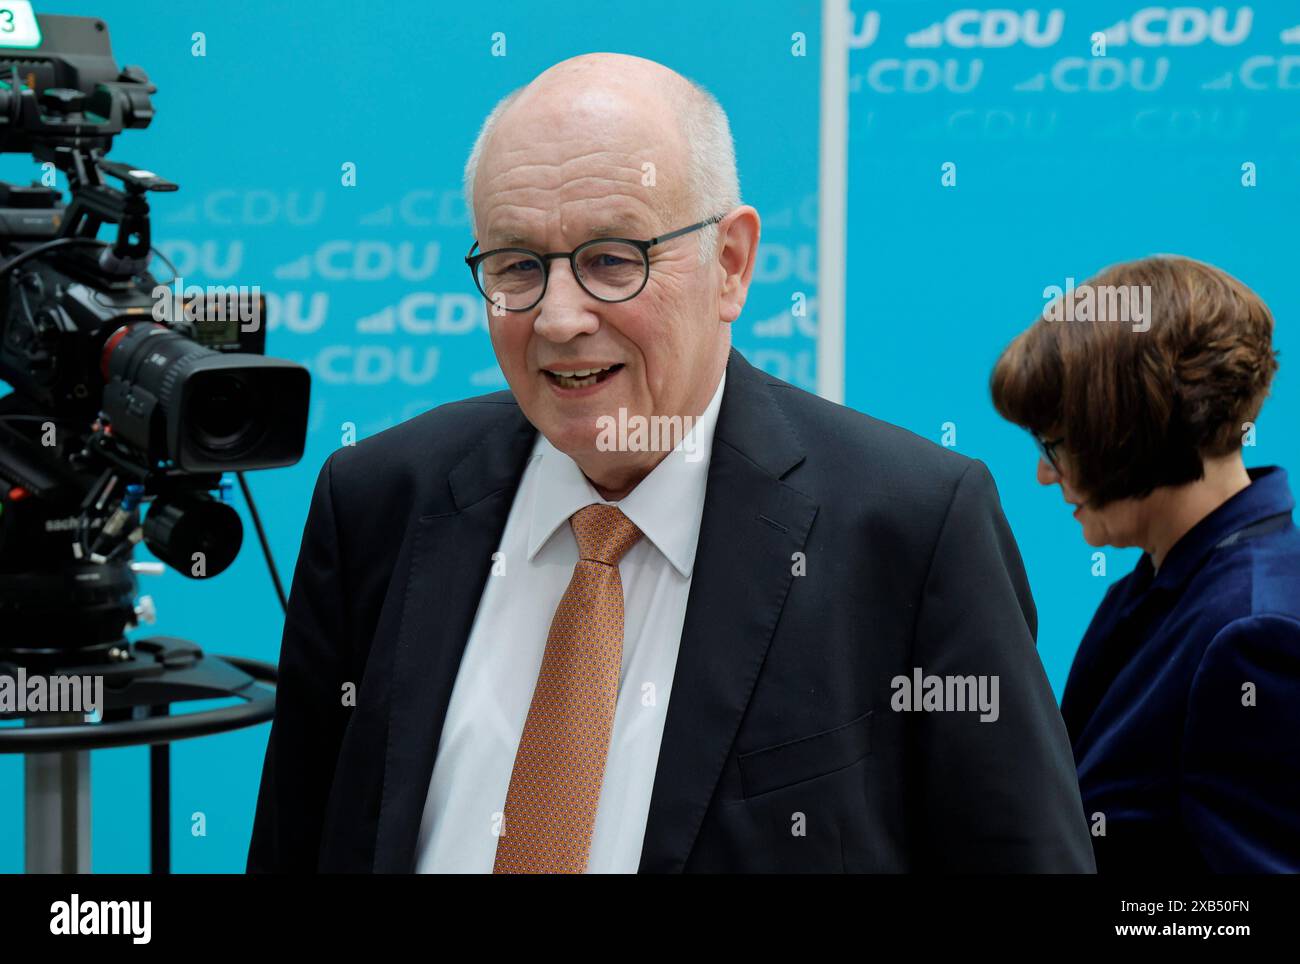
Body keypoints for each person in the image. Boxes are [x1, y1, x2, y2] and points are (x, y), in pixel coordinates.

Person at [247, 52, 1093, 873]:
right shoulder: (380, 502)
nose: (559, 317)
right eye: (517, 266)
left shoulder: (908, 528)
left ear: (730, 263)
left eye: (612, 261)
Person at [990, 254, 1300, 872]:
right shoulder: (1162, 585)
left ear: (1130, 428)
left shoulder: (1254, 631)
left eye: (1056, 443)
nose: (1045, 474)